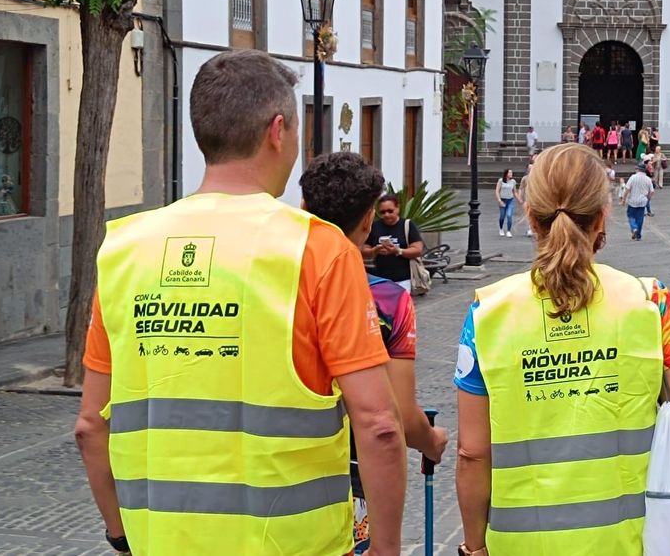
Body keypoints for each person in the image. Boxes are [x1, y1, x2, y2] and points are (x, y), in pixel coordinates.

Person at [73, 50, 407, 556]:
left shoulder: (124, 248)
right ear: (278, 131)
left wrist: (122, 535)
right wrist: (386, 549)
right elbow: (380, 425)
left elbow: (91, 425)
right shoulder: (316, 249)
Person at [453, 143, 670, 556]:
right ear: (602, 217)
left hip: (522, 545)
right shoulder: (652, 302)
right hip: (629, 541)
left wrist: (474, 547)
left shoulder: (486, 313)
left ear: (530, 216)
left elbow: (472, 453)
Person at [299, 152, 450, 554]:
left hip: (285, 469)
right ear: (368, 220)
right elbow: (395, 413)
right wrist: (430, 440)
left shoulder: (273, 283)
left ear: (302, 209)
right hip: (353, 472)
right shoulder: (388, 300)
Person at [361, 195, 425, 292]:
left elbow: (418, 250)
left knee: (400, 306)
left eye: (390, 211)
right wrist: (374, 251)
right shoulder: (374, 226)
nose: (386, 215)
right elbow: (363, 250)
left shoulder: (407, 225)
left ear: (397, 208)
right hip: (379, 279)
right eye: (382, 212)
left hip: (403, 279)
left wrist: (398, 251)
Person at [622, 162, 654, 241]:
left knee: (631, 215)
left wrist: (624, 199)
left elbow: (627, 189)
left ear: (638, 169)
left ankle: (634, 228)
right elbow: (652, 191)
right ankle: (638, 234)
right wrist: (648, 198)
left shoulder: (633, 177)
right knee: (640, 218)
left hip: (633, 200)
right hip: (643, 201)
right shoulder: (648, 179)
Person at [495, 169, 518, 238]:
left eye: (512, 172)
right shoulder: (500, 181)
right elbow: (497, 191)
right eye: (510, 172)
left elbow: (515, 192)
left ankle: (508, 231)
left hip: (510, 200)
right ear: (506, 173)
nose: (511, 174)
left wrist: (519, 199)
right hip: (502, 200)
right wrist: (499, 200)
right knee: (502, 216)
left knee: (509, 215)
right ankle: (501, 228)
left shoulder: (513, 181)